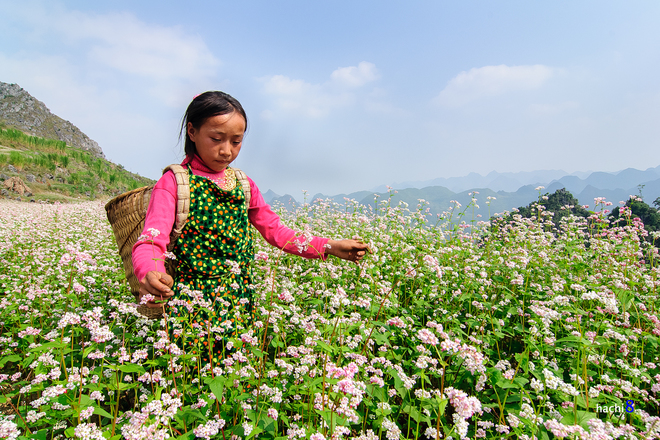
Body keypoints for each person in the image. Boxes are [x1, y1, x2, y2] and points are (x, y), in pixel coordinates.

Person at [132, 91, 369, 363]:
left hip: (239, 301)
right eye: (216, 139)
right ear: (192, 131)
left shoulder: (243, 184)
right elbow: (151, 240)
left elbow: (278, 233)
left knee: (236, 376)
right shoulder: (175, 183)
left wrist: (329, 246)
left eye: (236, 141)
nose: (226, 150)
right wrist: (150, 272)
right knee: (193, 374)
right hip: (191, 305)